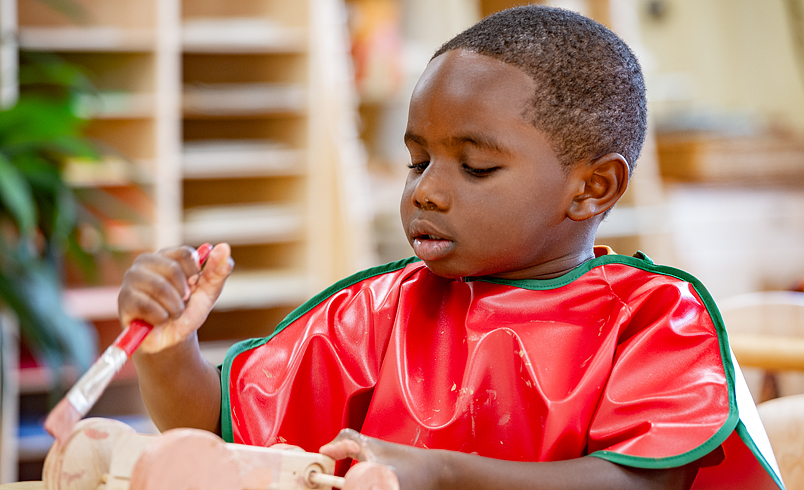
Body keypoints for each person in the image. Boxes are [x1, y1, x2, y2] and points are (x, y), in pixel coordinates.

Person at [118, 6, 784, 490]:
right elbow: (217, 429)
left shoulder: (655, 317)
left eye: (475, 167)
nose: (427, 192)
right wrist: (169, 348)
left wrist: (440, 474)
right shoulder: (376, 311)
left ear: (592, 188)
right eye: (417, 162)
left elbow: (639, 483)